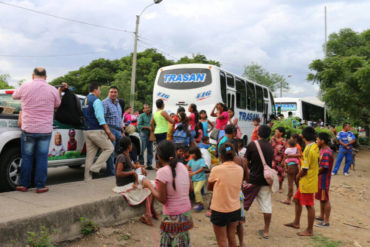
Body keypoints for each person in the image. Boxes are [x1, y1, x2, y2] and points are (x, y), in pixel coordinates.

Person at [13, 67, 61, 193]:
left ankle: (24, 185)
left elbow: (14, 96)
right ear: (46, 77)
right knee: (42, 158)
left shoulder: (25, 86)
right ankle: (40, 186)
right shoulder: (52, 89)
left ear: (33, 75)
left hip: (28, 128)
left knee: (27, 157)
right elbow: (57, 104)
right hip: (45, 130)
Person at [143, 141, 193, 246]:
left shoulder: (162, 172)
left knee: (170, 241)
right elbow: (190, 189)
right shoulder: (183, 167)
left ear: (159, 157)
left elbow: (162, 199)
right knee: (182, 241)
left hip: (172, 216)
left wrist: (149, 186)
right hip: (186, 214)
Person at [284, 127, 320, 237]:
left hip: (307, 181)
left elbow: (304, 169)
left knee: (309, 205)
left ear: (303, 137)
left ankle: (309, 230)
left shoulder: (308, 150)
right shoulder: (314, 146)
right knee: (296, 199)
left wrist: (298, 176)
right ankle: (296, 222)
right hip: (310, 179)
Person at [208, 142, 243, 247]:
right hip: (235, 209)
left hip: (219, 210)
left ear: (220, 155)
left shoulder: (216, 170)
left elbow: (209, 187)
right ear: (233, 155)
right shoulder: (240, 169)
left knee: (222, 241)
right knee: (231, 237)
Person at [115, 136, 155, 226]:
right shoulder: (122, 157)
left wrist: (140, 167)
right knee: (148, 189)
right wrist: (132, 173)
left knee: (149, 186)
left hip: (130, 180)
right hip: (124, 183)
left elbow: (133, 166)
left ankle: (150, 212)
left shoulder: (126, 155)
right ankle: (148, 214)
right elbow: (118, 173)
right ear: (129, 146)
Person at [243, 125, 274, 239]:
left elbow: (245, 161)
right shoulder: (270, 147)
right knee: (267, 206)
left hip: (253, 179)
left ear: (258, 133)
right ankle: (266, 231)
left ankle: (237, 225)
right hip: (265, 180)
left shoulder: (252, 144)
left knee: (240, 200)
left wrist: (245, 176)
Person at [82, 83, 115, 181]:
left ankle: (87, 178)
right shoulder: (96, 100)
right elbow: (100, 117)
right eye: (99, 90)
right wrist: (109, 132)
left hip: (86, 130)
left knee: (90, 155)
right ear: (96, 90)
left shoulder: (85, 100)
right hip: (96, 130)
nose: (100, 92)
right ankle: (95, 168)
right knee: (109, 148)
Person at [102, 86, 123, 176]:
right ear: (108, 93)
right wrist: (108, 132)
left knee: (120, 150)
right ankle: (110, 172)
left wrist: (123, 131)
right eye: (111, 92)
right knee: (111, 151)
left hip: (119, 130)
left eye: (115, 92)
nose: (113, 94)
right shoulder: (105, 103)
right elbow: (102, 118)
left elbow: (119, 118)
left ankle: (119, 169)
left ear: (117, 93)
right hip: (110, 129)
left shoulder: (118, 103)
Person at [315, 132, 334, 228]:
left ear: (322, 141)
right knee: (322, 198)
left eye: (317, 139)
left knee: (325, 199)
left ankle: (326, 221)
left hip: (323, 179)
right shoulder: (322, 150)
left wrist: (313, 173)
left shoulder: (327, 152)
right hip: (320, 178)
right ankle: (322, 216)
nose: (316, 141)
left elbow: (324, 167)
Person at [188, 146, 207, 211]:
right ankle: (198, 203)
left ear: (197, 153)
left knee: (197, 190)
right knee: (195, 191)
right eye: (190, 154)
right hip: (194, 179)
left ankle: (201, 204)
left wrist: (193, 173)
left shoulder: (201, 160)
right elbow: (187, 167)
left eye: (192, 153)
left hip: (201, 179)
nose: (191, 155)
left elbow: (202, 169)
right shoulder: (191, 161)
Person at [281, 139, 300, 205]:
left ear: (288, 144)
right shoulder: (296, 149)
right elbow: (299, 155)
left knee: (290, 184)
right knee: (297, 182)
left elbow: (285, 157)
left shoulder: (287, 150)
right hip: (296, 166)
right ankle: (298, 197)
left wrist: (285, 167)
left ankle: (289, 199)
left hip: (290, 166)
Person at [137, 104, 154, 170]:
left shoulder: (152, 115)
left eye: (148, 107)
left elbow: (154, 124)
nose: (147, 109)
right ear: (143, 110)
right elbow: (139, 126)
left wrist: (153, 128)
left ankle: (149, 165)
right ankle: (141, 163)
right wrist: (147, 127)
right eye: (146, 108)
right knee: (142, 149)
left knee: (150, 150)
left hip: (151, 134)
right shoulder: (141, 116)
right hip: (143, 134)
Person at [271, 127, 286, 193]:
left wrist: (283, 161)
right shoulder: (272, 139)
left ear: (281, 133)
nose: (275, 133)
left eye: (277, 132)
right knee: (272, 173)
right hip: (273, 159)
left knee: (280, 173)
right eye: (275, 131)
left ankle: (280, 187)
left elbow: (285, 152)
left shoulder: (284, 142)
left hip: (280, 160)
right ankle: (272, 186)